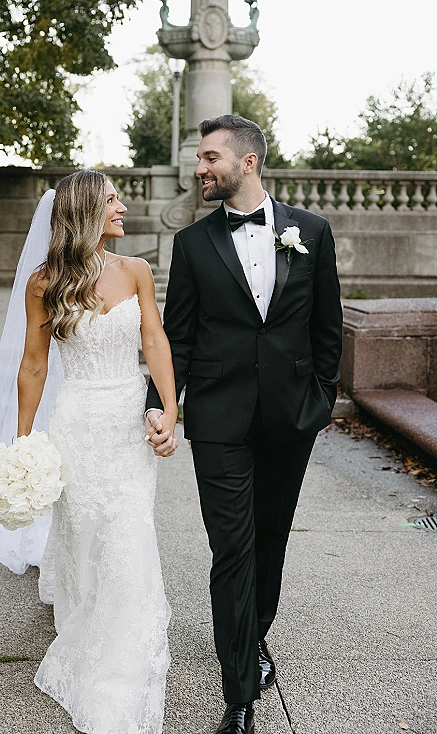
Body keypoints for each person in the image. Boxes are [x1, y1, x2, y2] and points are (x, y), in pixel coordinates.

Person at [0, 170, 178, 734]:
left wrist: (170, 411)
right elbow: (33, 364)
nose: (122, 207)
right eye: (112, 201)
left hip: (127, 424)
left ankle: (123, 657)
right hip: (75, 422)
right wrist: (24, 439)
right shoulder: (44, 282)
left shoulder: (137, 271)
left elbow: (155, 341)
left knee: (128, 530)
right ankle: (86, 633)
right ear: (85, 213)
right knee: (82, 533)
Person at [145, 115, 343, 734]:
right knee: (231, 549)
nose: (199, 169)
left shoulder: (311, 231)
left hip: (292, 417)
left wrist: (321, 398)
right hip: (220, 417)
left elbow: (327, 326)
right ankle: (239, 695)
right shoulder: (194, 244)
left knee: (270, 541)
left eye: (209, 159)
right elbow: (175, 333)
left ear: (247, 162)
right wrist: (163, 402)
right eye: (199, 161)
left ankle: (253, 639)